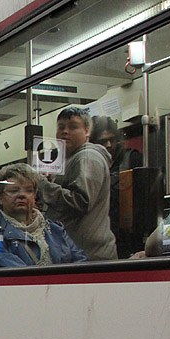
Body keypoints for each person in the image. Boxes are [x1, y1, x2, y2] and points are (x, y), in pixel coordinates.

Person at [40, 107, 118, 260]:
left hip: (89, 256)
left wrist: (43, 186)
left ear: (87, 131)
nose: (65, 131)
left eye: (73, 127)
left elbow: (80, 201)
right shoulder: (71, 159)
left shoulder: (87, 157)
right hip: (78, 254)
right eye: (61, 127)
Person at [0, 163, 87, 268]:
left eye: (28, 190)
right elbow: (19, 276)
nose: (22, 195)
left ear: (34, 196)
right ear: (0, 198)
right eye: (14, 191)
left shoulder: (56, 229)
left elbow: (81, 264)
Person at [90, 116, 142, 247]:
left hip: (128, 235)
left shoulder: (131, 160)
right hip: (99, 235)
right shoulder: (88, 166)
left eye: (112, 140)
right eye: (103, 142)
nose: (108, 145)